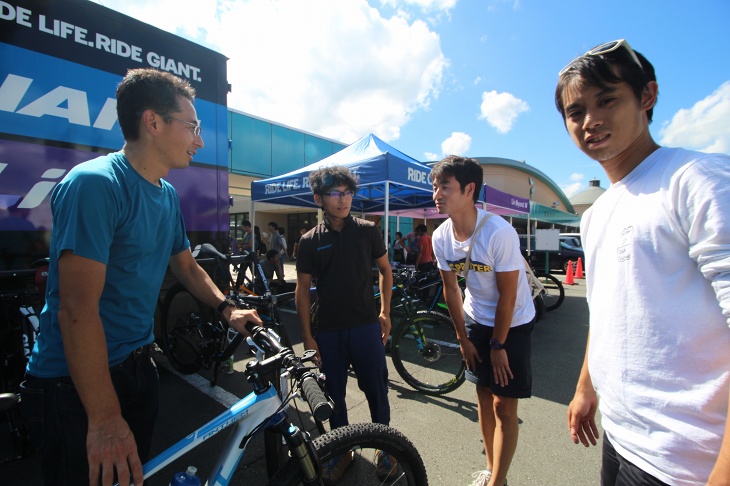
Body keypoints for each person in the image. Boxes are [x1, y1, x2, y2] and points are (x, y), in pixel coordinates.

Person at [20, 68, 261, 486]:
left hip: (137, 368)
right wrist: (105, 417)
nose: (199, 140)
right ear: (153, 122)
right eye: (192, 127)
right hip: (75, 385)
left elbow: (186, 266)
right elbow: (76, 312)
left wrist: (228, 308)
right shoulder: (96, 185)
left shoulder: (166, 195)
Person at [556, 39, 730, 485]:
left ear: (647, 96)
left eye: (607, 100)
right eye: (575, 112)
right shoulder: (595, 214)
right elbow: (605, 309)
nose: (589, 120)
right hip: (620, 438)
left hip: (687, 462)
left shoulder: (696, 180)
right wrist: (584, 388)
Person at [431, 155, 535, 486]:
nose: (437, 194)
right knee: (483, 396)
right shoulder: (441, 237)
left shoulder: (499, 232)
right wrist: (463, 338)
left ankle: (498, 481)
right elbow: (451, 289)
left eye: (445, 187)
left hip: (513, 322)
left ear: (469, 189)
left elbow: (508, 297)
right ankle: (492, 470)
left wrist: (498, 345)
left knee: (505, 405)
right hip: (476, 318)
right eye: (435, 187)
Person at [294, 165, 396, 483]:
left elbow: (385, 270)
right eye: (335, 193)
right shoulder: (309, 241)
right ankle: (343, 450)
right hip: (329, 331)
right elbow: (301, 291)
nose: (343, 199)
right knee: (333, 394)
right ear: (319, 199)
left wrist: (385, 312)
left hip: (366, 326)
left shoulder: (367, 230)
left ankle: (385, 448)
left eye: (347, 192)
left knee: (377, 390)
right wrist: (308, 337)